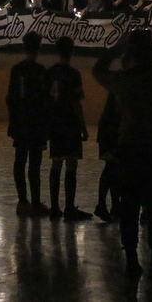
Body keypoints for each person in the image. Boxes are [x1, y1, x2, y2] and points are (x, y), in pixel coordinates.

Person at [92, 29, 152, 278]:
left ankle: (131, 258)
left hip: (130, 147)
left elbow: (98, 69)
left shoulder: (124, 80)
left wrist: (117, 48)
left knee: (129, 206)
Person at [46, 37, 93, 221]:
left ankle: (55, 207)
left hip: (55, 123)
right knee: (71, 164)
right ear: (72, 51)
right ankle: (70, 207)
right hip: (69, 123)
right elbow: (76, 103)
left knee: (56, 163)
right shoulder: (73, 74)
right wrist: (83, 127)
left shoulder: (50, 73)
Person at [7, 31, 52, 216]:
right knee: (34, 163)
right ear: (39, 48)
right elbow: (46, 100)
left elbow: (10, 98)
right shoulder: (41, 71)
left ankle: (22, 201)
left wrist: (13, 119)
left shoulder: (17, 69)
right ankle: (34, 202)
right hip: (36, 122)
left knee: (20, 160)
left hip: (21, 120)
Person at [94, 88, 120, 223]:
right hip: (113, 132)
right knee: (112, 169)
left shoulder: (115, 91)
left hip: (108, 131)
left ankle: (111, 206)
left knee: (112, 169)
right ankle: (104, 205)